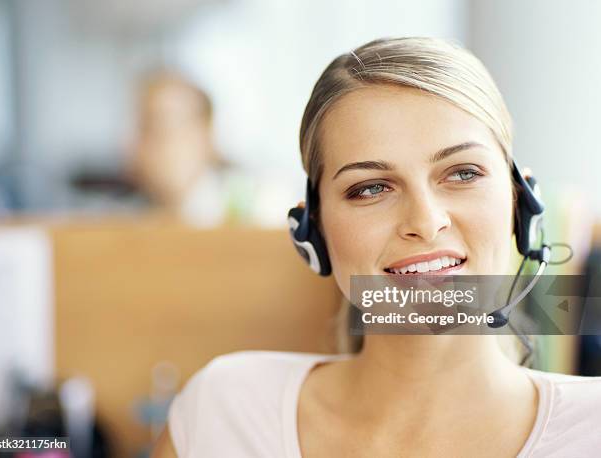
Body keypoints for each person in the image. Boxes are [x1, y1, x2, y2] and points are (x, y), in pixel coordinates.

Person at [152, 37, 601, 457]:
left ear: (520, 201)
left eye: (463, 172)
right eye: (370, 188)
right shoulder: (221, 411)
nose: (425, 222)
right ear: (313, 230)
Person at [129, 70, 232, 226]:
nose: (163, 143)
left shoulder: (248, 216)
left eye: (173, 124)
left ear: (207, 134)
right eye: (149, 127)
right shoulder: (128, 220)